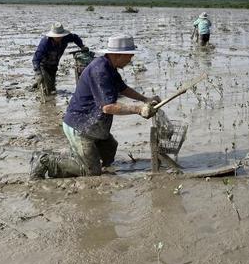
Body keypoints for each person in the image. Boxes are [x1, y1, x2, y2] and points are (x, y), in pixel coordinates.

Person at [30, 34, 160, 179]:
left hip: (94, 125)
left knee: (110, 149)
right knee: (91, 172)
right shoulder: (100, 70)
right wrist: (138, 110)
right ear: (118, 55)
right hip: (81, 126)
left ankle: (82, 157)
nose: (131, 59)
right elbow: (108, 107)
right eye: (129, 56)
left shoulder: (110, 67)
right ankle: (45, 160)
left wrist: (145, 99)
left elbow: (122, 88)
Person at [32, 22, 87, 95]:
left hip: (54, 65)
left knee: (52, 87)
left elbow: (75, 38)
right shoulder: (45, 43)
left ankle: (40, 84)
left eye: (60, 36)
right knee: (48, 91)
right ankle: (40, 83)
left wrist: (82, 46)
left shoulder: (66, 37)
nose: (59, 38)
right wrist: (38, 73)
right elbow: (35, 59)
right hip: (44, 65)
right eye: (57, 36)